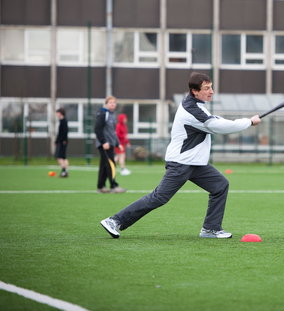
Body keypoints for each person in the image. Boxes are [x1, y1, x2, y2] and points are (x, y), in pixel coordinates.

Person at [100, 72, 261, 239]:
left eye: (211, 87)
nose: (211, 91)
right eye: (206, 88)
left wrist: (246, 121)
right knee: (159, 198)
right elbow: (216, 125)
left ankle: (210, 229)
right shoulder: (192, 110)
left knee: (220, 185)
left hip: (195, 163)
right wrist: (248, 122)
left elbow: (215, 119)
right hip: (181, 163)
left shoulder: (196, 105)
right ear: (194, 91)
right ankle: (115, 221)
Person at [94, 96, 127, 193]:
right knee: (111, 164)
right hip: (105, 144)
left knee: (104, 165)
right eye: (110, 103)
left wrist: (117, 143)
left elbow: (112, 132)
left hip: (111, 143)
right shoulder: (103, 113)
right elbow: (97, 129)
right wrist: (103, 142)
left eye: (114, 103)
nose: (113, 104)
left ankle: (101, 187)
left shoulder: (112, 114)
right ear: (106, 104)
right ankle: (114, 186)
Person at [55, 108, 69, 178]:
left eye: (57, 113)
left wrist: (63, 140)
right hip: (62, 141)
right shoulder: (62, 121)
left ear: (60, 113)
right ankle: (65, 171)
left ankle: (64, 171)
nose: (56, 114)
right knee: (63, 157)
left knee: (59, 157)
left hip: (62, 142)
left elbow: (64, 132)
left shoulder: (63, 121)